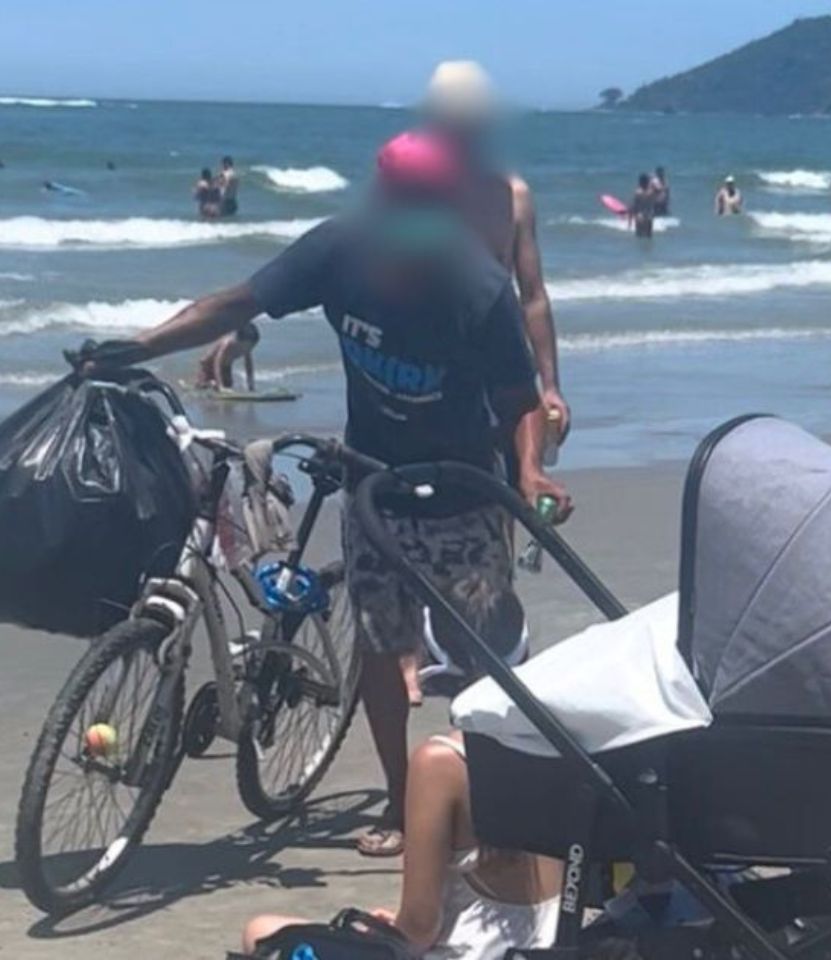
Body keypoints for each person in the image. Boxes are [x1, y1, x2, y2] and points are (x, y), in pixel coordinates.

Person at [116, 130, 571, 857]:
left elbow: (518, 400)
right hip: (373, 485)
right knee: (380, 648)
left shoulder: (476, 287)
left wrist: (529, 472)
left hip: (463, 492)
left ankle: (479, 796)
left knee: (477, 657)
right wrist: (138, 346)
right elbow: (234, 302)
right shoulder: (339, 249)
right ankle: (401, 802)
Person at [242, 732, 561, 959]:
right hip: (549, 943)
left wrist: (389, 928)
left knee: (262, 931)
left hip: (468, 951)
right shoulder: (557, 741)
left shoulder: (443, 760)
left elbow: (419, 929)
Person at [422, 61, 569, 438]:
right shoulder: (415, 193)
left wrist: (551, 387)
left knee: (508, 482)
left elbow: (533, 296)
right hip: (424, 366)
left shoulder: (513, 195)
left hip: (499, 366)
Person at [194, 322, 259, 392]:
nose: (248, 348)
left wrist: (251, 386)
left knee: (229, 386)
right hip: (207, 365)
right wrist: (220, 386)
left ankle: (213, 384)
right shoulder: (227, 344)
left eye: (251, 346)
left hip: (225, 367)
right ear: (238, 340)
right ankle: (208, 383)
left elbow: (248, 366)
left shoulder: (247, 347)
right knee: (204, 386)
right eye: (246, 345)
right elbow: (216, 363)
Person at [630, 172, 657, 238]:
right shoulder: (651, 192)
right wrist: (652, 179)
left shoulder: (637, 192)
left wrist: (630, 219)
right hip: (649, 215)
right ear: (647, 182)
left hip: (640, 216)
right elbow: (658, 189)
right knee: (649, 236)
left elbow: (634, 206)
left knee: (639, 236)